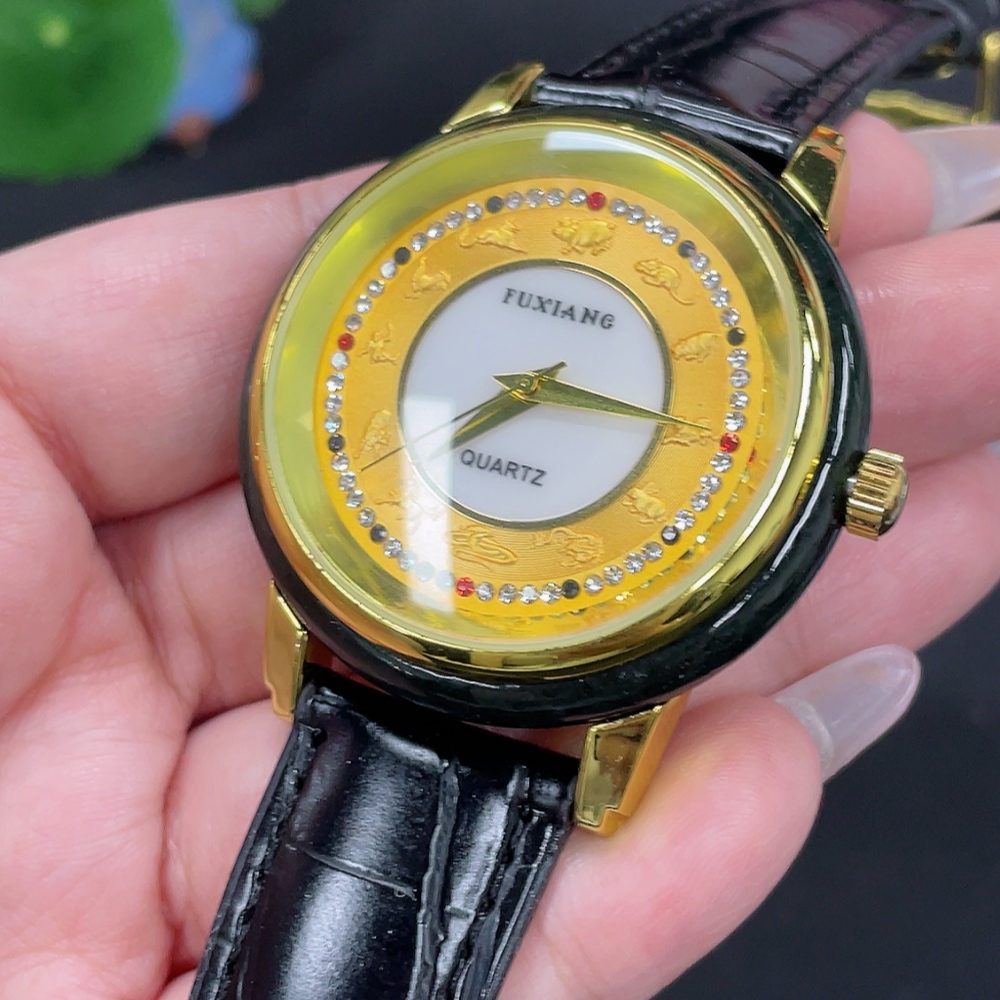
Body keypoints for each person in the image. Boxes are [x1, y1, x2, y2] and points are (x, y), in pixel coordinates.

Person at [0, 111, 998, 1000]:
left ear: (854, 489)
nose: (527, 396)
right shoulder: (492, 148)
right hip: (354, 601)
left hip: (564, 637)